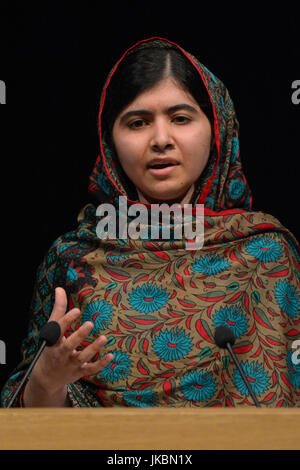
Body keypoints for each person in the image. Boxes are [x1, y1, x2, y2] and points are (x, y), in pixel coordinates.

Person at [1, 37, 299, 408]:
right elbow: (27, 425)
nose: (161, 140)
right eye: (138, 122)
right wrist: (46, 382)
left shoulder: (265, 253)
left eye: (180, 118)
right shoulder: (73, 259)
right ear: (110, 140)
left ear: (217, 129)